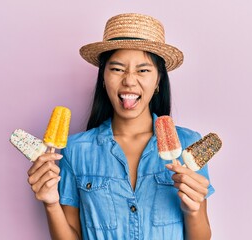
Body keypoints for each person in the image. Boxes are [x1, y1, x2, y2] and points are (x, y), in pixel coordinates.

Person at [27, 13, 215, 240]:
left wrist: (192, 210)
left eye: (143, 70)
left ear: (158, 81)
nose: (129, 80)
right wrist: (51, 203)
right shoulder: (74, 151)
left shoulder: (187, 145)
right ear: (103, 78)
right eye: (117, 69)